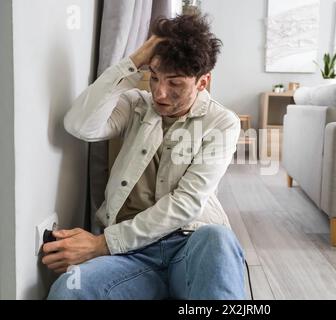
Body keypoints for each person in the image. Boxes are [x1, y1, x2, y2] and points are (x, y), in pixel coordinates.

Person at [44, 14, 245, 300]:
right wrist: (135, 60)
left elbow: (186, 203)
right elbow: (79, 125)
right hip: (131, 256)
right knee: (69, 288)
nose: (160, 93)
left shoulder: (221, 122)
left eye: (175, 83)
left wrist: (101, 245)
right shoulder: (137, 105)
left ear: (203, 82)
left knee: (219, 238)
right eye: (154, 77)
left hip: (188, 244)